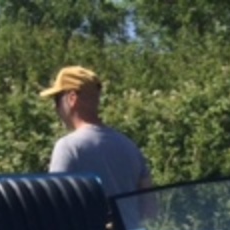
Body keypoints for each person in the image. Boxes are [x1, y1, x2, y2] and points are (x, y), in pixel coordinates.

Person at [39, 66, 153, 197]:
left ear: (72, 99)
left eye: (56, 100)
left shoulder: (68, 147)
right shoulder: (130, 146)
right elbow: (149, 205)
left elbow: (57, 202)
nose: (55, 108)